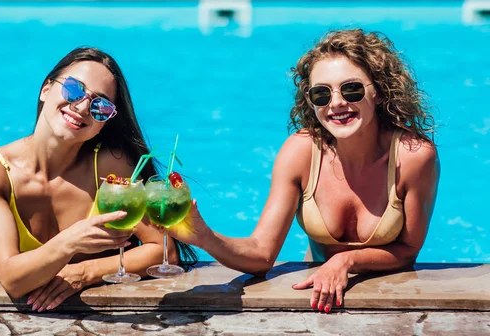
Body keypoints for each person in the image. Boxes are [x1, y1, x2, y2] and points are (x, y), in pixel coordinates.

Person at [166, 29, 440, 313]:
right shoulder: (301, 152)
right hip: (321, 295)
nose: (336, 103)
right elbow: (261, 254)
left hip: (391, 300)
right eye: (321, 94)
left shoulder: (413, 157)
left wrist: (344, 261)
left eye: (352, 89)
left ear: (380, 92)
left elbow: (407, 251)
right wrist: (205, 237)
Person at [0, 47, 196, 312]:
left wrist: (85, 272)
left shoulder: (110, 166)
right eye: (74, 89)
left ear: (105, 121)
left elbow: (163, 251)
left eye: (101, 105)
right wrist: (70, 242)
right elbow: (13, 279)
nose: (83, 107)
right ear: (46, 89)